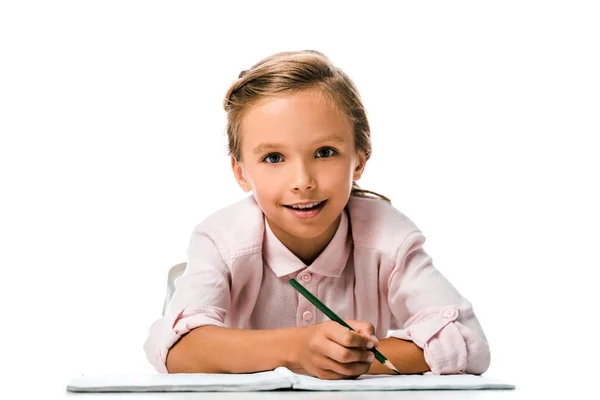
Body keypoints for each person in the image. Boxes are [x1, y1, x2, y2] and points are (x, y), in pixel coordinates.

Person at [143, 50, 490, 379]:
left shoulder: (388, 238)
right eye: (274, 158)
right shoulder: (221, 240)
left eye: (325, 152)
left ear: (360, 159)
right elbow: (174, 348)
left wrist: (347, 360)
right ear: (240, 171)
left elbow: (467, 341)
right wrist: (296, 348)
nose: (303, 182)